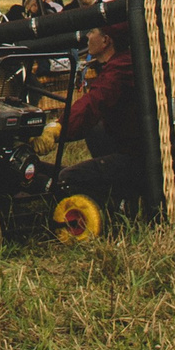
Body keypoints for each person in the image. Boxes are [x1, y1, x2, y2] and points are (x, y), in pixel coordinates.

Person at [57, 19, 144, 213]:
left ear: (105, 40)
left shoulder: (119, 69)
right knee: (95, 130)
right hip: (131, 149)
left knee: (67, 179)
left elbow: (94, 102)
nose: (88, 36)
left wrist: (58, 129)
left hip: (135, 158)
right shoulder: (121, 62)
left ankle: (124, 207)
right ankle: (116, 186)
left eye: (92, 31)